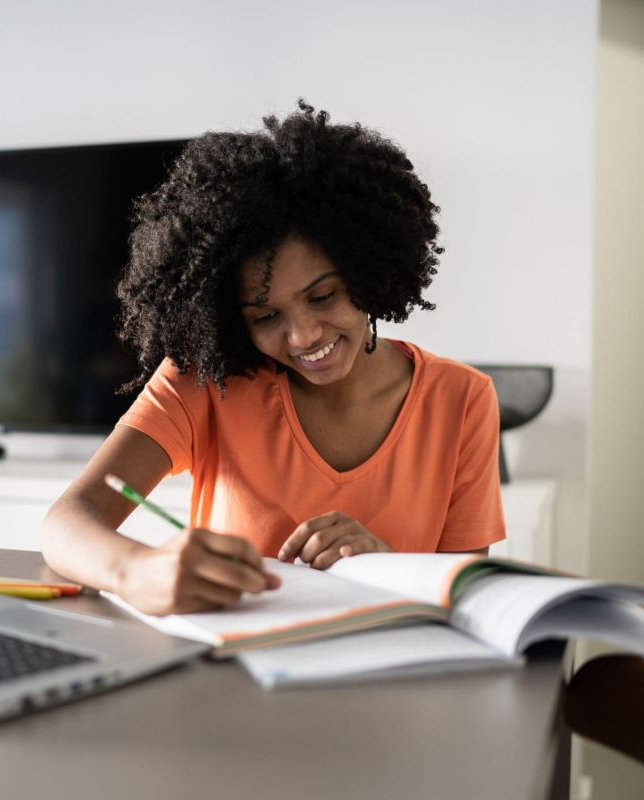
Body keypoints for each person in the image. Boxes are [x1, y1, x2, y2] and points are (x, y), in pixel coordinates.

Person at [41, 101, 505, 615]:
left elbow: (471, 600)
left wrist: (386, 565)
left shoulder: (461, 399)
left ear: (369, 271)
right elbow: (69, 519)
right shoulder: (205, 384)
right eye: (265, 317)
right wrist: (135, 570)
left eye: (324, 296)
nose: (303, 335)